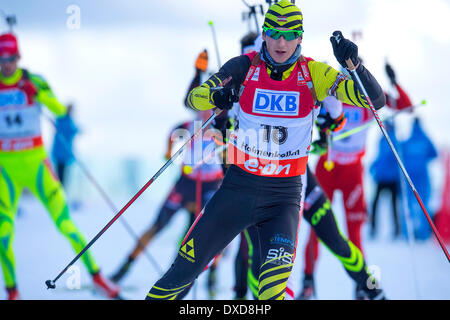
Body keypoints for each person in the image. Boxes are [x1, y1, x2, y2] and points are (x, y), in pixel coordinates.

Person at [146, 0, 385, 300]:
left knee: (281, 282)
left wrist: (355, 65)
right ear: (264, 34)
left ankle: (370, 287)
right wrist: (217, 94)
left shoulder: (314, 73)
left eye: (289, 33)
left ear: (300, 36)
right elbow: (195, 100)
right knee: (180, 275)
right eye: (273, 32)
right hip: (238, 189)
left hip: (283, 197)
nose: (280, 41)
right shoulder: (244, 66)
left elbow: (375, 101)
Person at [0, 33, 120, 300]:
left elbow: (59, 111)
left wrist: (38, 94)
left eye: (10, 58)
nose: (5, 64)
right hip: (5, 168)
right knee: (3, 235)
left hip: (36, 164)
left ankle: (98, 276)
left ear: (18, 57)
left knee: (66, 225)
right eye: (1, 59)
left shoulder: (34, 81)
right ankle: (12, 291)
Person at [111, 52, 225, 299]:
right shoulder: (187, 123)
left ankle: (212, 273)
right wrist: (196, 73)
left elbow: (229, 148)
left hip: (210, 186)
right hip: (186, 184)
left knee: (209, 236)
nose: (204, 111)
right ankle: (125, 268)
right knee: (158, 225)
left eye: (210, 106)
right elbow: (174, 131)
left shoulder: (221, 125)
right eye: (202, 106)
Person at [400, 117, 438, 240]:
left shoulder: (408, 140)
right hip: (422, 177)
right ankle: (424, 233)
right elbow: (434, 154)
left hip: (410, 178)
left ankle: (408, 233)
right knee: (424, 205)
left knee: (408, 205)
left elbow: (400, 155)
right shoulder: (425, 140)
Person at [50, 103, 79, 187]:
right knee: (60, 176)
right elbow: (72, 130)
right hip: (61, 152)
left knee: (62, 175)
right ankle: (60, 192)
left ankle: (61, 191)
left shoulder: (62, 119)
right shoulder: (63, 119)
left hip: (64, 152)